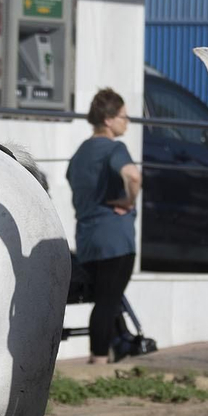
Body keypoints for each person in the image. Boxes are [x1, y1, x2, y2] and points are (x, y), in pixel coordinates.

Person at [67, 88, 142, 364]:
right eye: (124, 116)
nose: (127, 122)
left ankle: (113, 349)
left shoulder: (80, 153)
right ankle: (98, 359)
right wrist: (129, 201)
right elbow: (133, 176)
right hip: (115, 239)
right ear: (109, 120)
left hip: (87, 240)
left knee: (106, 298)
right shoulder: (114, 149)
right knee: (107, 302)